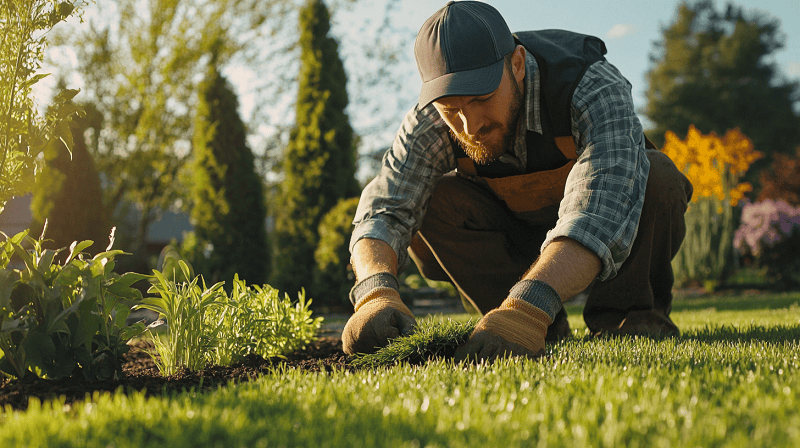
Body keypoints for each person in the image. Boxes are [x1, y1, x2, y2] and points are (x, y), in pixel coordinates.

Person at [341, 0, 693, 361]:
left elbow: (600, 213)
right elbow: (385, 209)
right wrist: (374, 292)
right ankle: (514, 321)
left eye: (482, 97)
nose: (469, 125)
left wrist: (532, 303)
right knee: (434, 199)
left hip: (603, 235)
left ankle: (627, 319)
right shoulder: (429, 121)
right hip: (511, 239)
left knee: (658, 176)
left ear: (518, 65)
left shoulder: (590, 87)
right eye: (452, 109)